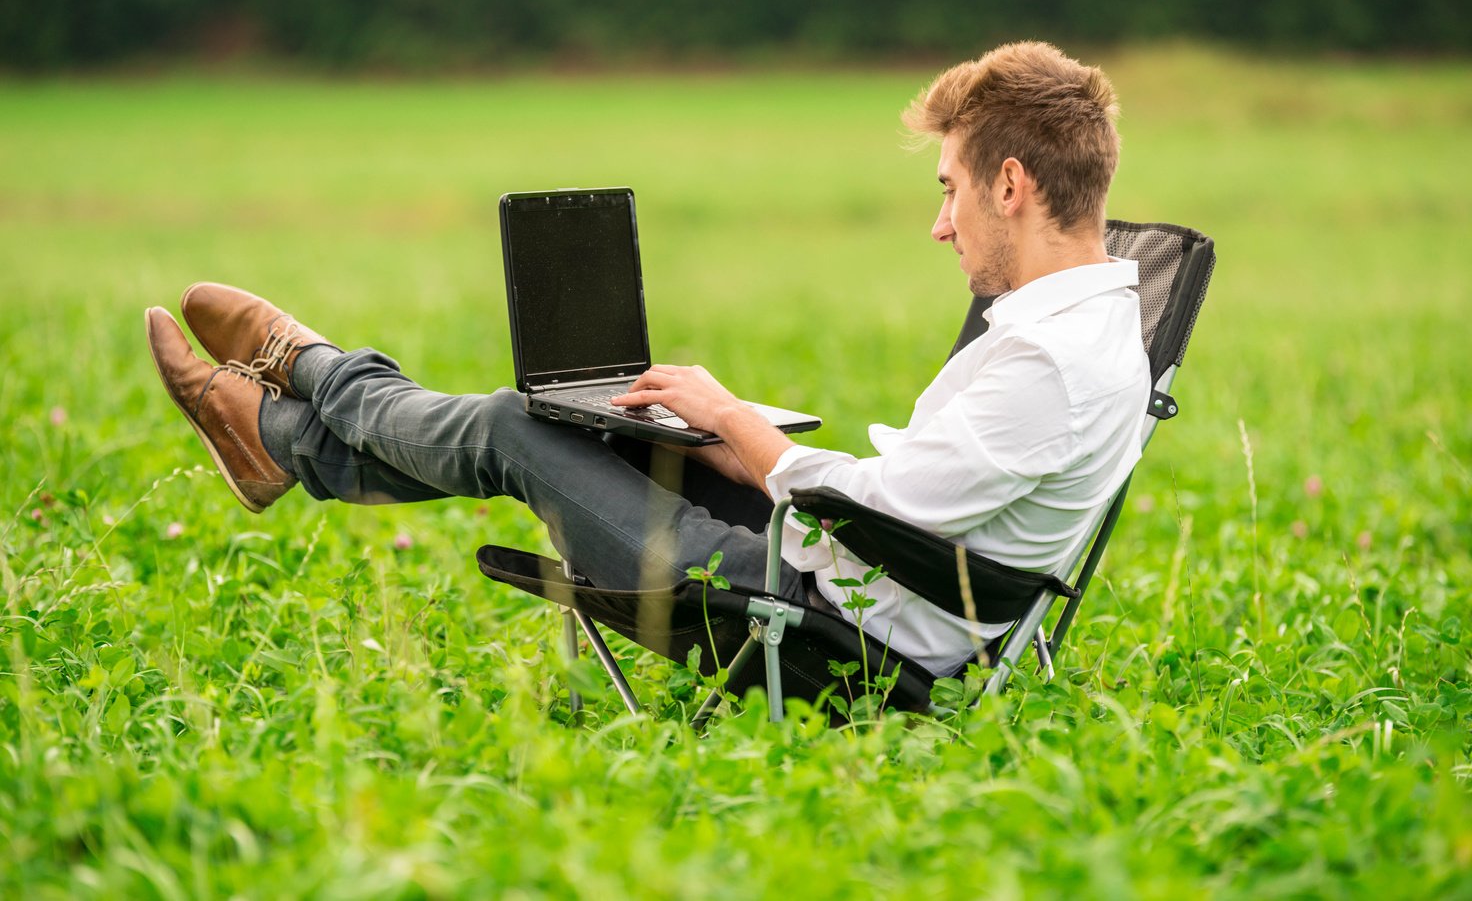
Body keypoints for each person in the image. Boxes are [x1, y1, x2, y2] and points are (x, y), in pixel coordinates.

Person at [145, 40, 1149, 687]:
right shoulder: (1086, 323)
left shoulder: (1047, 360)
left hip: (815, 624)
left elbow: (883, 514)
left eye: (950, 192)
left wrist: (734, 423)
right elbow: (920, 502)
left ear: (1009, 184)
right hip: (846, 575)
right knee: (576, 422)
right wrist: (720, 440)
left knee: (509, 425)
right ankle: (279, 432)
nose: (940, 226)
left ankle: (306, 377)